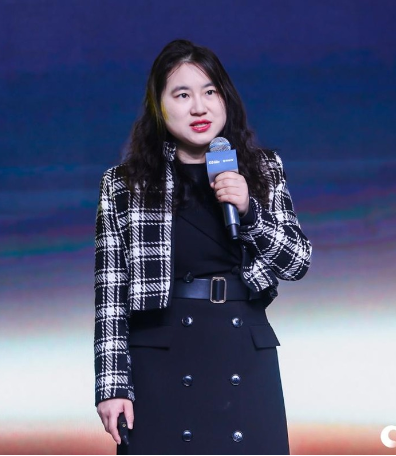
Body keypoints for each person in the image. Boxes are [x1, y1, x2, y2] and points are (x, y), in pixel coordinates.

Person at [94, 39, 312, 455]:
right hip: (160, 356)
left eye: (210, 92)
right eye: (182, 95)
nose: (199, 107)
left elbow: (297, 262)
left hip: (242, 350)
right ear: (159, 106)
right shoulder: (125, 184)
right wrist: (112, 385)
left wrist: (249, 211)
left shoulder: (262, 169)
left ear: (225, 98)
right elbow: (110, 294)